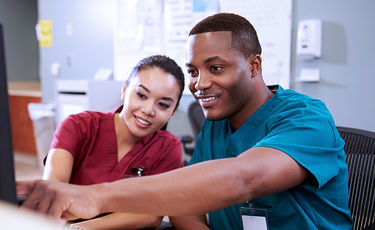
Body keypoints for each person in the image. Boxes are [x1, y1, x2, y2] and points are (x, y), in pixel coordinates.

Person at [17, 13, 353, 230]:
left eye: (215, 68)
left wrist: (97, 196)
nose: (200, 83)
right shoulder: (217, 126)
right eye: (193, 71)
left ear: (254, 65)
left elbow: (243, 178)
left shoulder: (307, 119)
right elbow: (185, 207)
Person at [41, 55, 185, 229]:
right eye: (141, 95)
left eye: (163, 105)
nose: (148, 110)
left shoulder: (168, 147)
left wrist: (84, 227)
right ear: (124, 90)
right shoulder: (78, 126)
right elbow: (52, 192)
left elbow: (151, 214)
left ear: (173, 111)